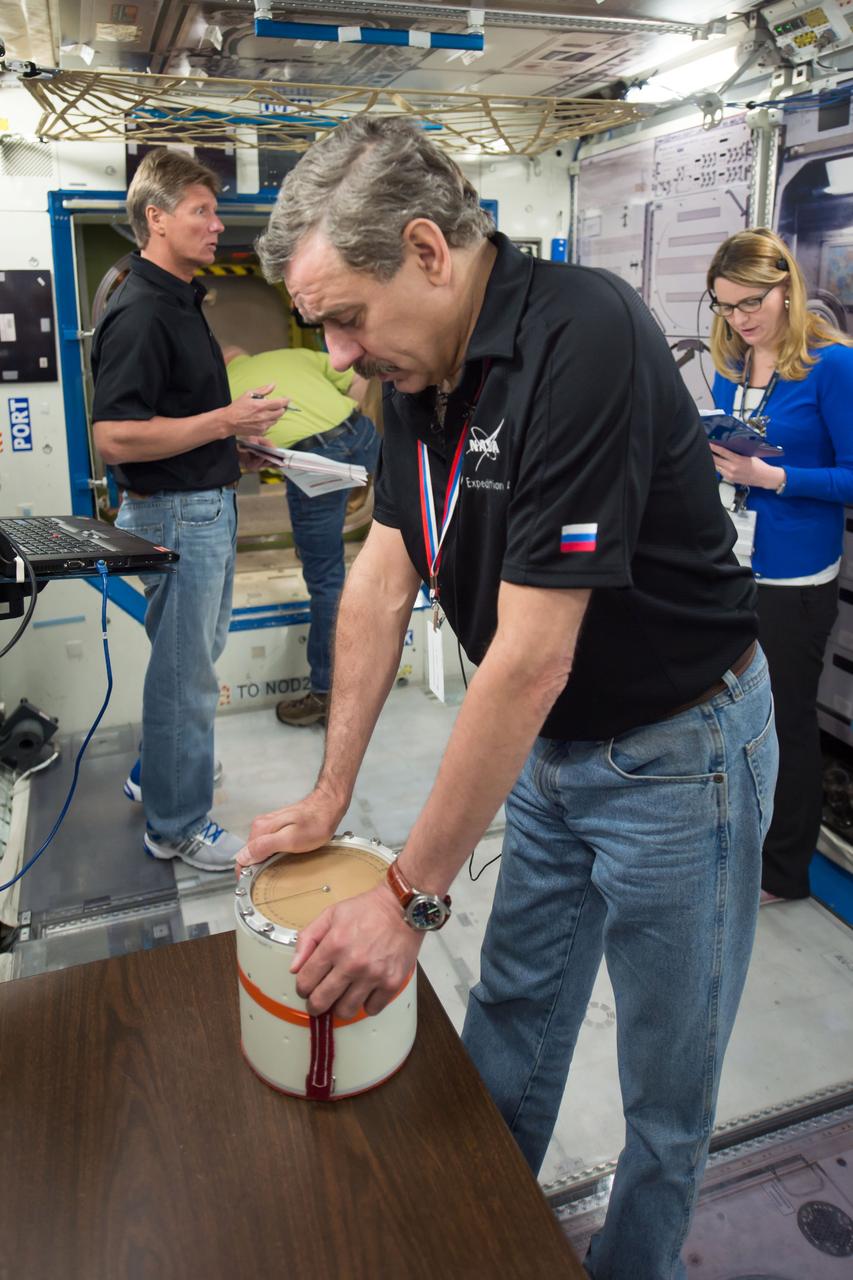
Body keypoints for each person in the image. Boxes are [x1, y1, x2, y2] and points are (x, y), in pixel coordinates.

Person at [238, 117, 777, 1279]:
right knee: (514, 1016)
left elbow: (532, 655)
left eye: (344, 316)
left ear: (429, 250)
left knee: (666, 1084)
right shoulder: (421, 372)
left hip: (679, 756)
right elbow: (383, 578)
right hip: (554, 756)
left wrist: (406, 894)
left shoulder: (582, 335)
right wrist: (334, 790)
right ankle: (465, 1242)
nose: (335, 356)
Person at [91, 148, 287, 872]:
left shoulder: (180, 300)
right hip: (175, 517)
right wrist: (222, 426)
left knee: (187, 664)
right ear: (156, 217)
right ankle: (174, 825)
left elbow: (175, 419)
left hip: (199, 501)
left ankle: (155, 774)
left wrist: (231, 451)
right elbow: (113, 437)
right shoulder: (141, 311)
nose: (216, 225)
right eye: (202, 212)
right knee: (186, 676)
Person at [706, 228, 853, 904]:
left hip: (793, 579)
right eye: (725, 307)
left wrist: (772, 478)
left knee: (783, 721)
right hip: (728, 565)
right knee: (728, 720)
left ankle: (783, 872)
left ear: (785, 286)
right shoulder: (729, 367)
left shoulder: (830, 366)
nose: (739, 319)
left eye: (749, 302)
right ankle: (737, 847)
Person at [222, 345, 380, 726]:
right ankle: (371, 682)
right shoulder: (294, 355)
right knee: (398, 552)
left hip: (314, 462)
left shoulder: (222, 389)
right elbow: (359, 379)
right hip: (362, 434)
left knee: (326, 579)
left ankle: (326, 694)